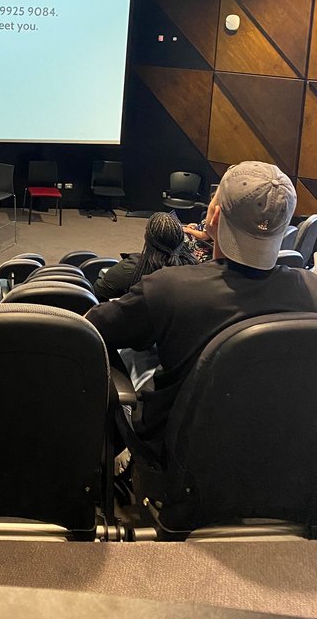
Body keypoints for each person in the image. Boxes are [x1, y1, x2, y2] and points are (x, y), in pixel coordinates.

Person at [86, 161, 317, 460]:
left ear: (214, 217)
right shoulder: (312, 290)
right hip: (281, 452)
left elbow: (91, 329)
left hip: (182, 457)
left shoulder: (168, 288)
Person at [92, 211, 197, 301]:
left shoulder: (130, 268)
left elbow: (98, 291)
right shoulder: (194, 268)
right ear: (182, 240)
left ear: (146, 237)